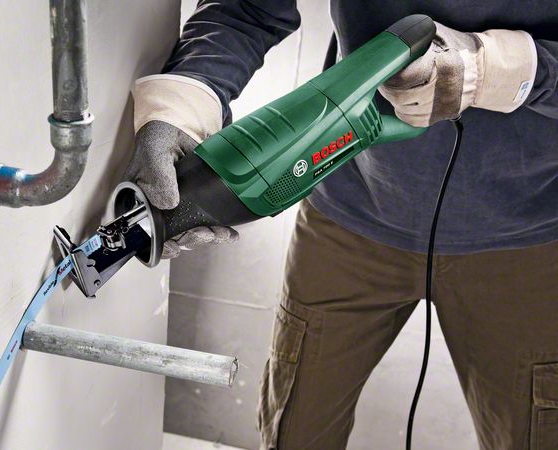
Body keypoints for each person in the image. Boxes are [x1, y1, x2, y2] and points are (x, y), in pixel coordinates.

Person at [124, 2, 558, 449]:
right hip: (350, 213)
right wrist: (181, 105)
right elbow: (247, 7)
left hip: (529, 238)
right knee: (295, 431)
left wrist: (498, 70)